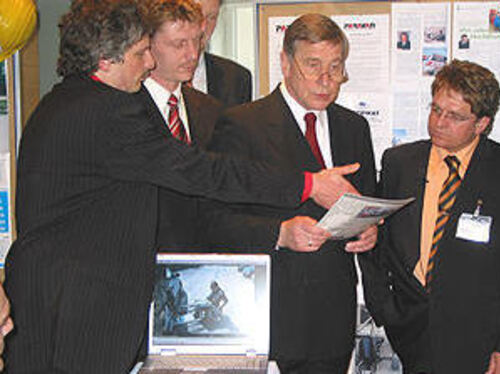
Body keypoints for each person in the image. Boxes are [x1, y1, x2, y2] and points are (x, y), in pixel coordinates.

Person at [1, 2, 359, 372]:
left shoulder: (62, 103)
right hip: (76, 311)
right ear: (107, 60)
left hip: (58, 303)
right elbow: (200, 171)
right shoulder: (105, 112)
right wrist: (307, 183)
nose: (148, 63)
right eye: (140, 53)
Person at [202, 13, 377, 373]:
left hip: (334, 316)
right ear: (284, 61)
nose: (326, 80)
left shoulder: (353, 127)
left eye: (335, 67)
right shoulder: (242, 124)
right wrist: (279, 233)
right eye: (313, 65)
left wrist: (371, 229)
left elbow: (366, 202)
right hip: (270, 316)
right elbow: (213, 221)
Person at [361, 60, 500, 373]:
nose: (439, 123)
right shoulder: (399, 162)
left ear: (482, 123)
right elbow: (377, 238)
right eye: (436, 109)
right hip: (410, 331)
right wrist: (384, 307)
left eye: (455, 116)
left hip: (481, 338)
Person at [138, 0, 224, 249]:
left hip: (202, 253)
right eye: (179, 44)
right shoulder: (126, 108)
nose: (193, 54)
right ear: (148, 45)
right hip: (142, 257)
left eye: (197, 41)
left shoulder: (211, 110)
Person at [192, 0, 252, 107]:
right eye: (197, 16)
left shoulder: (237, 78)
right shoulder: (155, 73)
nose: (204, 27)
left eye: (212, 18)